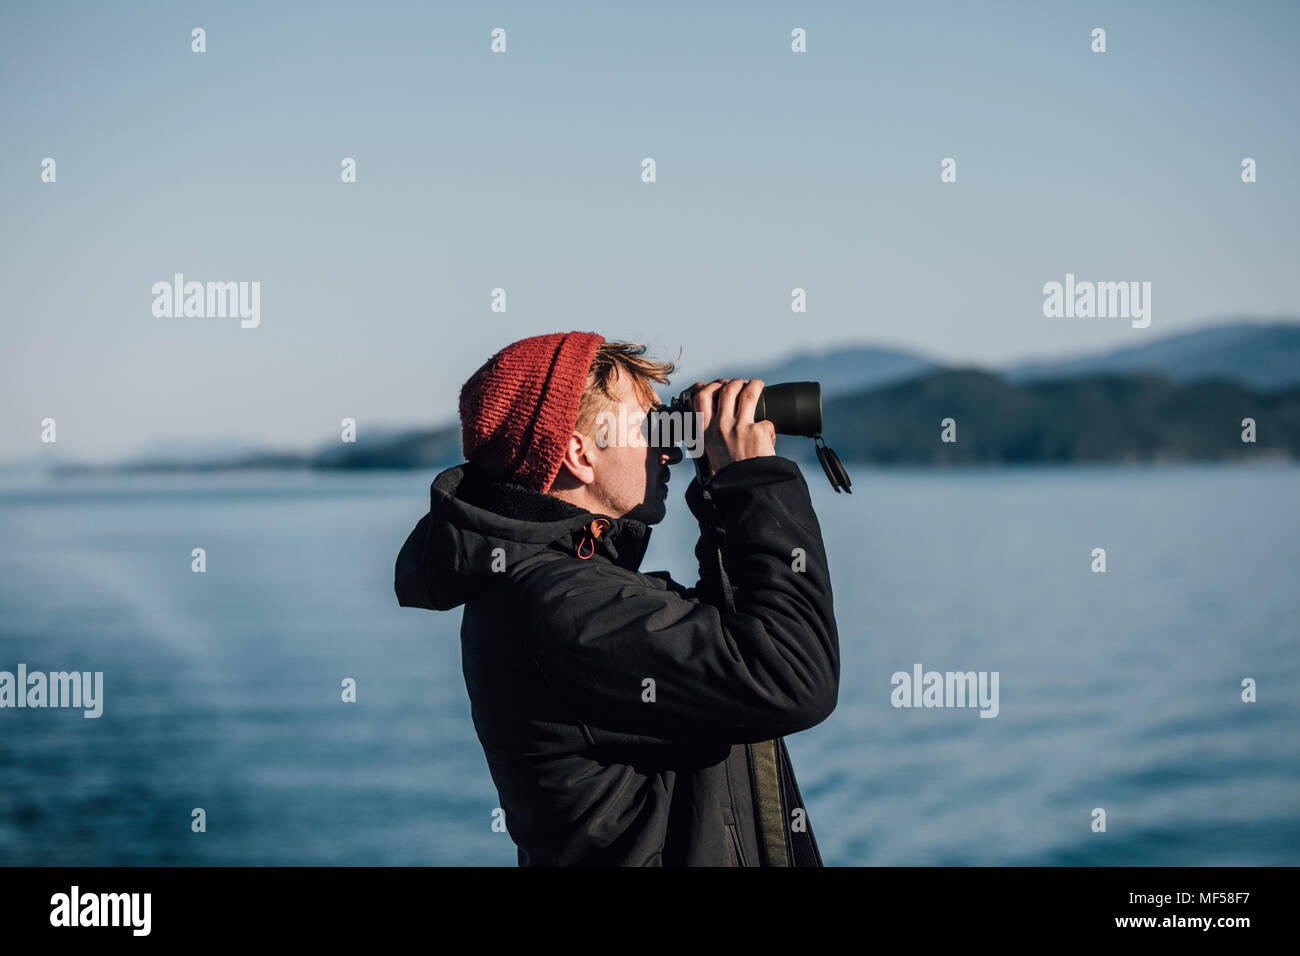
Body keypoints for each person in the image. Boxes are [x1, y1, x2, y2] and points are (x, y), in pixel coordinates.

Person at [394, 330, 840, 866]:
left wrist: (723, 489)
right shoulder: (558, 605)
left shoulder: (571, 587)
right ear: (579, 454)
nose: (669, 448)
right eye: (648, 426)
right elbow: (792, 676)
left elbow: (738, 637)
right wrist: (754, 480)